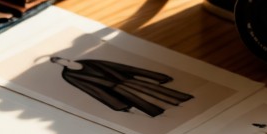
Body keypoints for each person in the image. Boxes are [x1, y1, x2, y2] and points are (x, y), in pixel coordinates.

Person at [49, 56, 193, 117]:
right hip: (116, 89)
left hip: (128, 80)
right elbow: (92, 90)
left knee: (160, 92)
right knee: (144, 102)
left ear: (66, 59)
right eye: (60, 63)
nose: (64, 62)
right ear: (59, 65)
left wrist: (159, 77)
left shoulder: (87, 61)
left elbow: (119, 67)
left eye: (63, 60)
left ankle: (183, 105)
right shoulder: (69, 75)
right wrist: (117, 105)